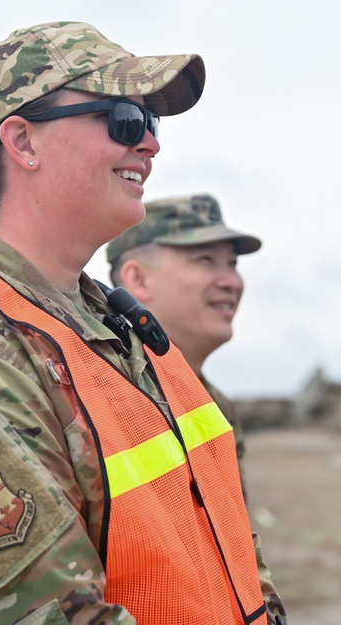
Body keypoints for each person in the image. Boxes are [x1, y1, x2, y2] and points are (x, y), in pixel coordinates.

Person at [0, 21, 286, 625]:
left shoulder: (116, 329)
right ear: (23, 142)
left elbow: (225, 552)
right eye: (125, 119)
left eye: (152, 124)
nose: (150, 145)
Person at [105, 194, 261, 496]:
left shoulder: (214, 403)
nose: (231, 281)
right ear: (138, 279)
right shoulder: (103, 394)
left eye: (232, 263)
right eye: (206, 260)